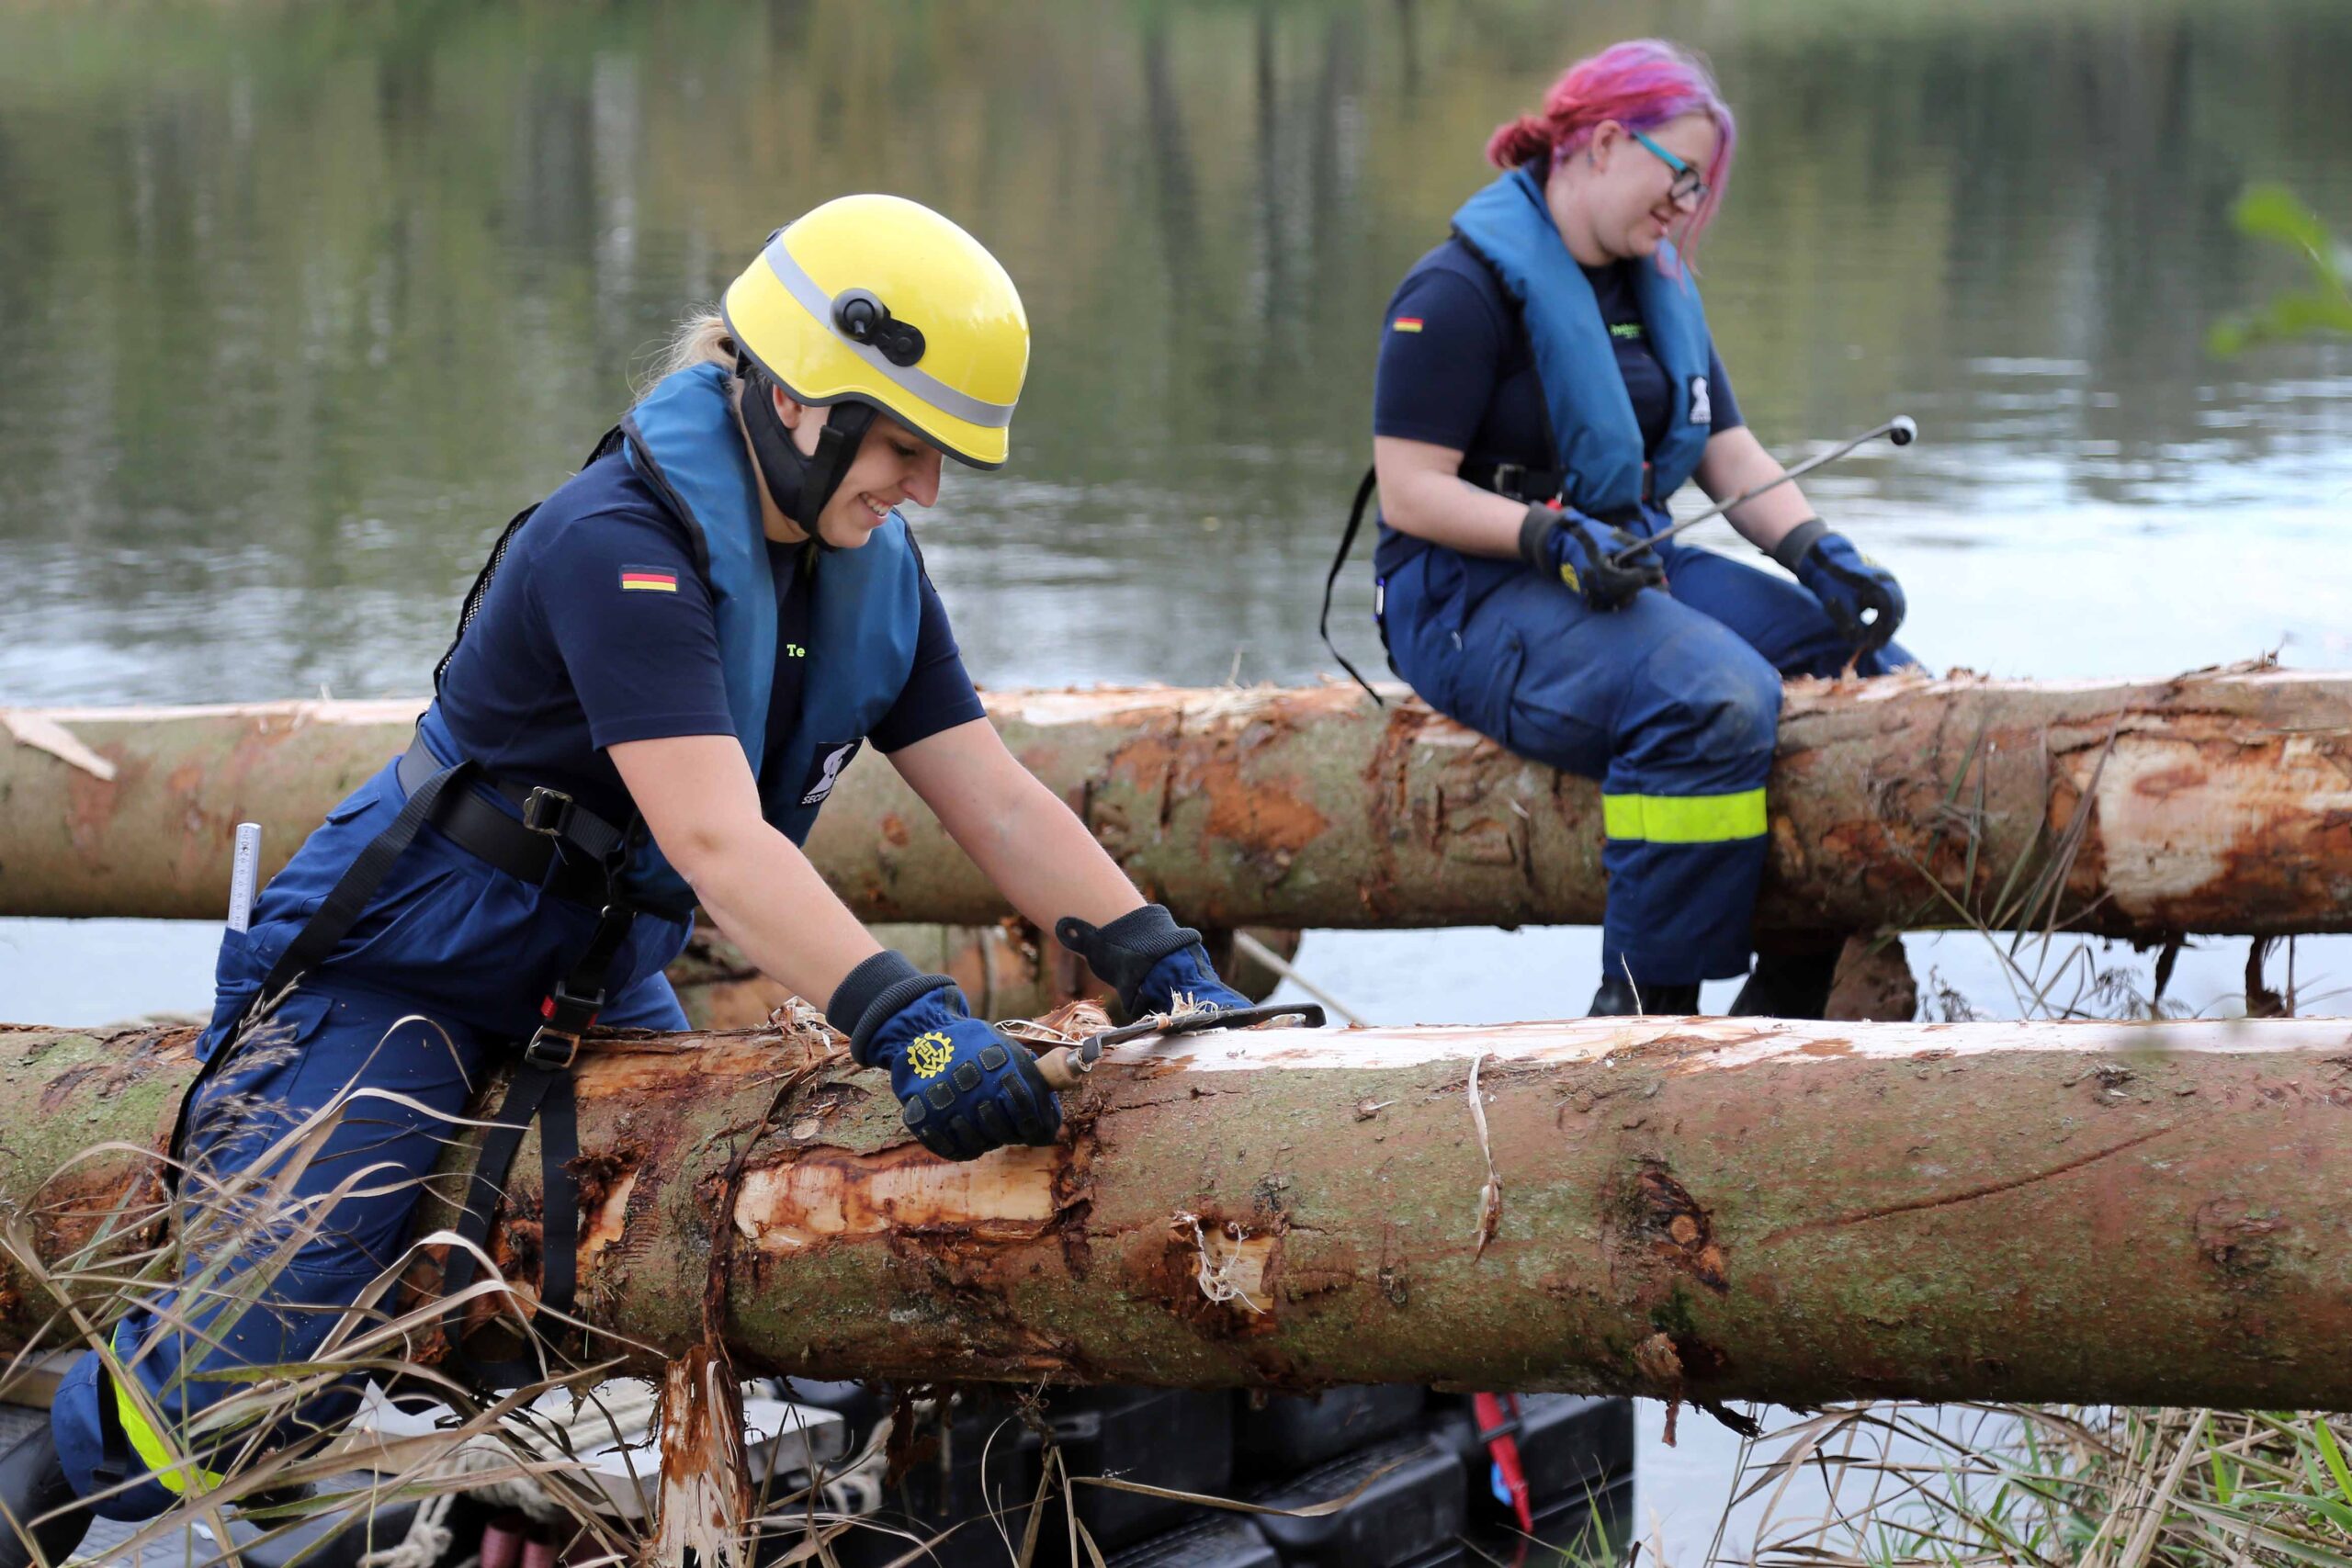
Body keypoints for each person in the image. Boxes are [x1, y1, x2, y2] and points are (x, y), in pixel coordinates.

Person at [0, 194, 1252, 1563]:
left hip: (595, 980)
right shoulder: (622, 545)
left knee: (653, 1284)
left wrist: (1158, 954)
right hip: (406, 965)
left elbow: (993, 790)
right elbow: (719, 843)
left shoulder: (867, 567)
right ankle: (39, 1489)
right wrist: (908, 1019)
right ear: (796, 395)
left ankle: (487, 1516)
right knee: (265, 1325)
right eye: (905, 448)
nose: (925, 491)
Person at [1343, 39, 1917, 1020]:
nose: (1687, 206)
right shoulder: (1455, 292)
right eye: (1679, 177)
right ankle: (1646, 1008)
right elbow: (1409, 491)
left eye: (1702, 188)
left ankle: (1793, 978)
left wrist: (1823, 554)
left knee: (1862, 663)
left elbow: (1724, 448)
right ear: (1605, 142)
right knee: (1708, 693)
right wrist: (1546, 538)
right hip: (1467, 596)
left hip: (1623, 563)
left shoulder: (1657, 285)